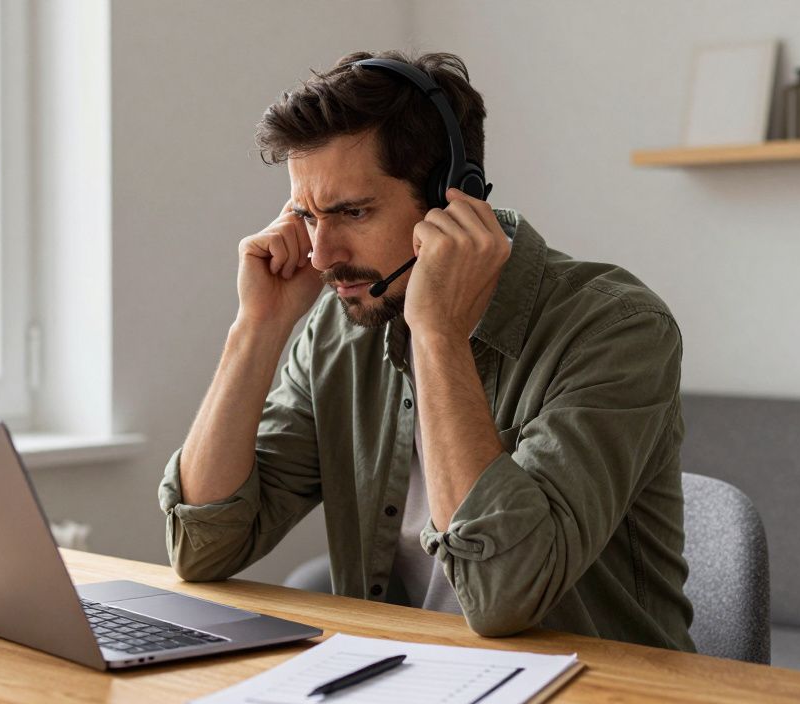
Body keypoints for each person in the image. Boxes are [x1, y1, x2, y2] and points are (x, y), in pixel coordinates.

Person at [157, 50, 694, 651]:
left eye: (352, 212)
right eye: (307, 217)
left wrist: (437, 335)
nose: (320, 255)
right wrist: (255, 329)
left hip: (600, 698)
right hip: (400, 686)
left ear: (451, 197)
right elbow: (203, 547)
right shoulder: (342, 328)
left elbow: (502, 594)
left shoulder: (616, 329)